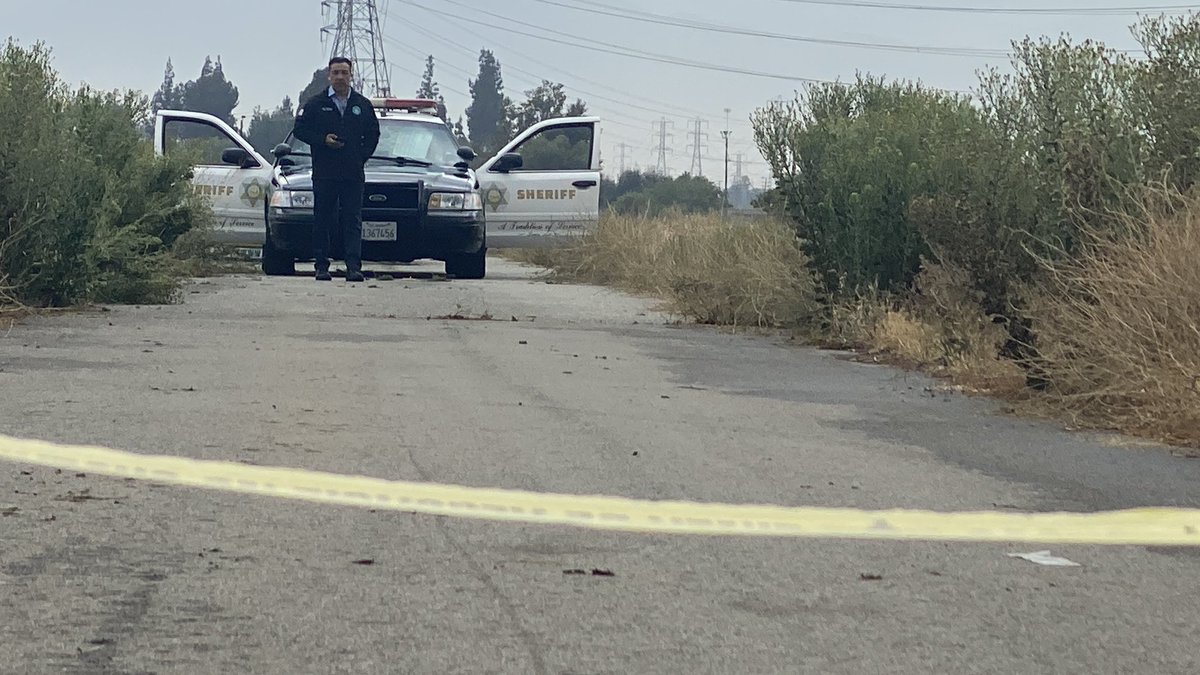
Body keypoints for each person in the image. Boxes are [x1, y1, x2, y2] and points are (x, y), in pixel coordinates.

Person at [292, 56, 381, 282]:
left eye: (344, 73)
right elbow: (300, 131)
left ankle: (353, 267)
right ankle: (321, 266)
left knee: (352, 220)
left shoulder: (362, 104)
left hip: (352, 173)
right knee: (323, 219)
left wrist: (360, 156)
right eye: (336, 73)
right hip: (325, 173)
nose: (340, 77)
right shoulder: (315, 103)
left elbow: (373, 134)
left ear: (351, 76)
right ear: (329, 76)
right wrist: (323, 140)